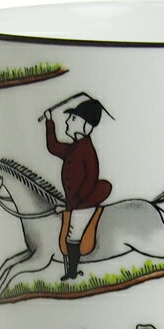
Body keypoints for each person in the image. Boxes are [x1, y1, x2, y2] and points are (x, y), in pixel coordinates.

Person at [43, 94, 112, 280]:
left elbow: (90, 180)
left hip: (84, 203)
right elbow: (53, 147)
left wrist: (72, 204)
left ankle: (72, 273)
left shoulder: (87, 150)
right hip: (75, 202)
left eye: (73, 119)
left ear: (87, 126)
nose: (67, 121)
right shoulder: (73, 148)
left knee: (72, 236)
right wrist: (49, 122)